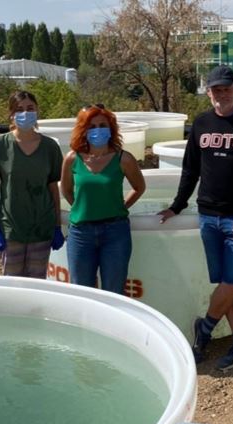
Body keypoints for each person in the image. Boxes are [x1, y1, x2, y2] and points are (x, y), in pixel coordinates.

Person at [157, 65, 233, 371]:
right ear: (208, 92)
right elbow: (190, 169)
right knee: (227, 285)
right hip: (208, 216)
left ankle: (204, 329)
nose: (221, 94)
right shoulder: (202, 123)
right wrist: (177, 206)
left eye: (226, 88)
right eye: (215, 89)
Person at [60, 104, 146, 295]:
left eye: (102, 125)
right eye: (91, 126)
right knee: (82, 292)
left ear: (111, 128)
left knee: (114, 292)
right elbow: (66, 190)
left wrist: (121, 206)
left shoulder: (124, 159)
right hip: (81, 234)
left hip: (115, 233)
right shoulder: (72, 159)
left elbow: (139, 187)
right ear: (83, 130)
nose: (97, 130)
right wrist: (82, 207)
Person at [0, 90, 64, 278]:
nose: (25, 113)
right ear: (11, 114)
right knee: (13, 285)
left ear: (37, 111)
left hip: (41, 228)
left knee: (37, 283)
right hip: (11, 228)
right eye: (19, 109)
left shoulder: (50, 147)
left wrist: (57, 226)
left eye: (30, 108)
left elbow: (53, 190)